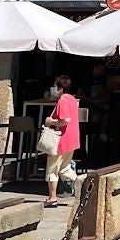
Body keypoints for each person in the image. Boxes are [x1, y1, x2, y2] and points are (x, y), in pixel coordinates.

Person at [43, 74, 80, 207]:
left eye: (55, 86)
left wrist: (50, 121)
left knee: (52, 169)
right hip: (72, 140)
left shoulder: (63, 101)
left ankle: (52, 198)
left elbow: (64, 120)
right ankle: (84, 183)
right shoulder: (72, 99)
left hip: (60, 140)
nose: (53, 88)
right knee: (64, 169)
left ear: (60, 88)